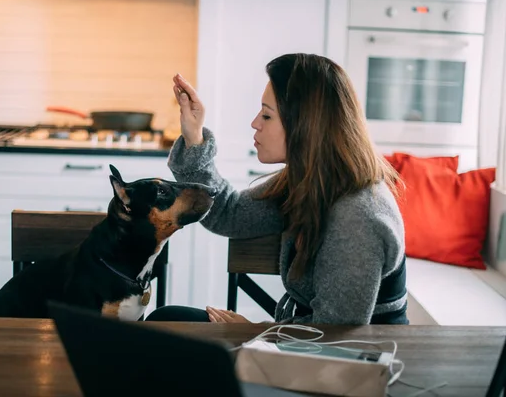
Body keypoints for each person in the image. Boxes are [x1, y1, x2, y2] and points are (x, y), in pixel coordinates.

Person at [145, 53, 408, 325]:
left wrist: (254, 333)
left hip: (354, 358)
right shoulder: (309, 181)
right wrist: (194, 136)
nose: (255, 123)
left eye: (267, 115)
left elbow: (336, 333)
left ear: (304, 125)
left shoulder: (357, 216)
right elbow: (230, 213)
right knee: (165, 321)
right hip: (305, 345)